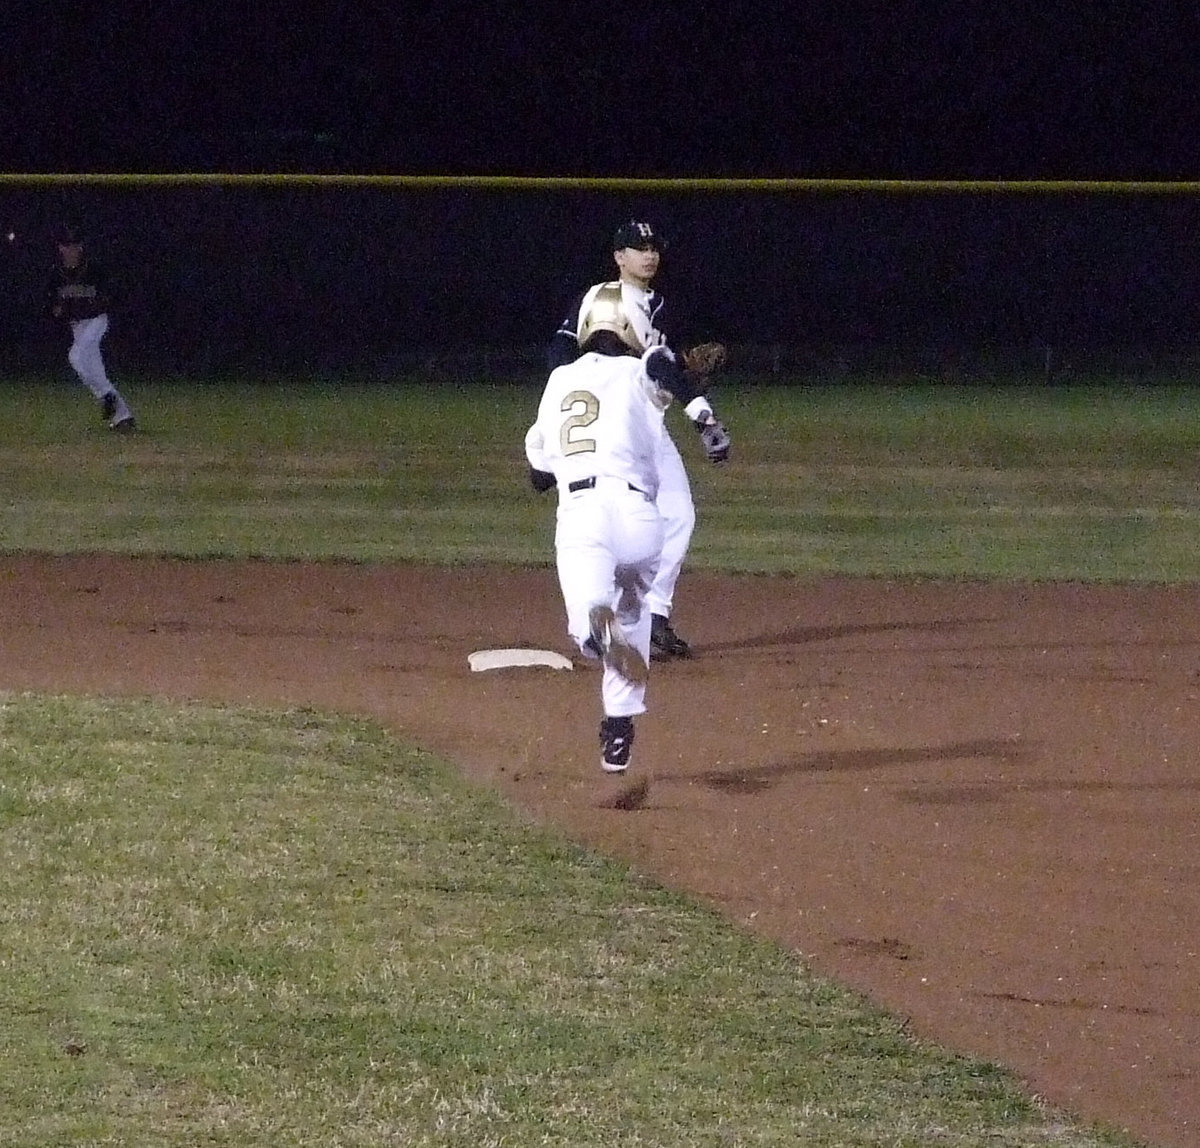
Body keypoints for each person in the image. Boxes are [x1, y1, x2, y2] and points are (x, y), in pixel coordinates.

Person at [526, 282, 730, 775]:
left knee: (591, 622)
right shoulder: (644, 368)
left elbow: (538, 477)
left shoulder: (557, 382)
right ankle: (618, 730)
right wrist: (705, 421)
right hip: (642, 520)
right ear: (631, 327)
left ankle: (598, 637)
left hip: (585, 515)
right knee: (635, 617)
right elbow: (667, 373)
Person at [548, 220, 721, 661]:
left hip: (647, 418)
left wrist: (683, 372)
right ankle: (608, 613)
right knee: (614, 512)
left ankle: (654, 616)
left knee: (679, 514)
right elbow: (563, 348)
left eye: (654, 247)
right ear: (619, 257)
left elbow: (660, 366)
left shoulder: (663, 305)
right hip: (608, 417)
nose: (649, 255)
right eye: (638, 247)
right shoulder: (599, 297)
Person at [47, 224, 137, 432]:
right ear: (60, 248)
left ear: (81, 247)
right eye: (67, 245)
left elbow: (110, 294)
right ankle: (124, 417)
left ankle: (106, 396)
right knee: (95, 372)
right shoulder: (56, 273)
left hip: (97, 321)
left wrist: (97, 303)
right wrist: (56, 309)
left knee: (75, 357)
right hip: (76, 326)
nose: (71, 249)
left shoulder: (93, 268)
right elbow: (51, 303)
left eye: (75, 245)